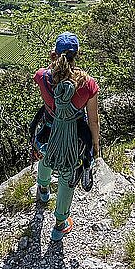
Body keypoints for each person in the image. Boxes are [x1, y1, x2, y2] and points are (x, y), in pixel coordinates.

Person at [33, 32, 100, 241]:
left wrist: (53, 63)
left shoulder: (42, 76)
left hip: (50, 128)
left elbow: (49, 93)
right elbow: (93, 120)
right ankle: (60, 224)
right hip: (74, 134)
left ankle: (43, 188)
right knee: (67, 174)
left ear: (55, 54)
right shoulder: (88, 84)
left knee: (45, 155)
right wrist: (95, 144)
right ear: (77, 54)